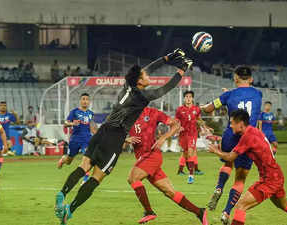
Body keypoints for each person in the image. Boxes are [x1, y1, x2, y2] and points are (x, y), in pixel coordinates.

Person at [54, 49, 193, 225]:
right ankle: (69, 210)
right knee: (96, 178)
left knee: (84, 167)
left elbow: (147, 69)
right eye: (144, 75)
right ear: (140, 81)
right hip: (114, 139)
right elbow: (165, 89)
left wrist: (166, 58)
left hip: (102, 131)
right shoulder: (143, 96)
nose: (147, 75)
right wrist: (181, 70)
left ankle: (62, 194)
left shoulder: (127, 85)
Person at [208, 109, 287, 225]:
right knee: (284, 205)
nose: (231, 126)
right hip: (276, 175)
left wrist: (216, 151)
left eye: (232, 123)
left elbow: (230, 157)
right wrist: (218, 139)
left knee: (241, 206)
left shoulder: (247, 137)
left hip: (269, 180)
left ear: (241, 124)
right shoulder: (254, 131)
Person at [201, 66, 262, 224]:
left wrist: (199, 108)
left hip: (230, 135)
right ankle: (226, 212)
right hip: (249, 139)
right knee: (240, 179)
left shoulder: (228, 95)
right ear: (251, 79)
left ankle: (219, 186)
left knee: (229, 160)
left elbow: (208, 109)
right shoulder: (258, 94)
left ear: (235, 78)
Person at [126, 107, 208, 224]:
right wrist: (126, 139)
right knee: (170, 192)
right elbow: (114, 134)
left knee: (133, 178)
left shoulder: (152, 112)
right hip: (143, 160)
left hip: (152, 155)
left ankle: (149, 212)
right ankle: (199, 212)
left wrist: (163, 137)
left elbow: (176, 124)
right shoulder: (127, 115)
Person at [57, 93, 98, 184]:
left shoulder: (91, 114)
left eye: (87, 99)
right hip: (75, 139)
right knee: (69, 161)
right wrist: (72, 124)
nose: (85, 101)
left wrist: (98, 135)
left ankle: (85, 179)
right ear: (80, 101)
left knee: (88, 159)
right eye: (83, 99)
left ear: (89, 102)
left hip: (87, 139)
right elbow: (65, 123)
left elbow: (92, 127)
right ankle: (63, 159)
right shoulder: (74, 111)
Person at [175, 90, 210, 183]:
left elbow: (199, 119)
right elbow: (176, 121)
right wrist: (178, 127)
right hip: (183, 135)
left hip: (192, 134)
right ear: (184, 98)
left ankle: (191, 175)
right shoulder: (179, 110)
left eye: (190, 97)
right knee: (186, 155)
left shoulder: (196, 109)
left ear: (192, 98)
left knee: (191, 152)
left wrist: (205, 128)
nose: (188, 99)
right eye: (186, 97)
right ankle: (186, 170)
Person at [0, 101, 19, 178]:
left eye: (5, 105)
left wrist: (15, 115)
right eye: (2, 105)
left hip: (4, 137)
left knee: (0, 153)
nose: (3, 107)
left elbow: (17, 122)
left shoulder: (9, 115)